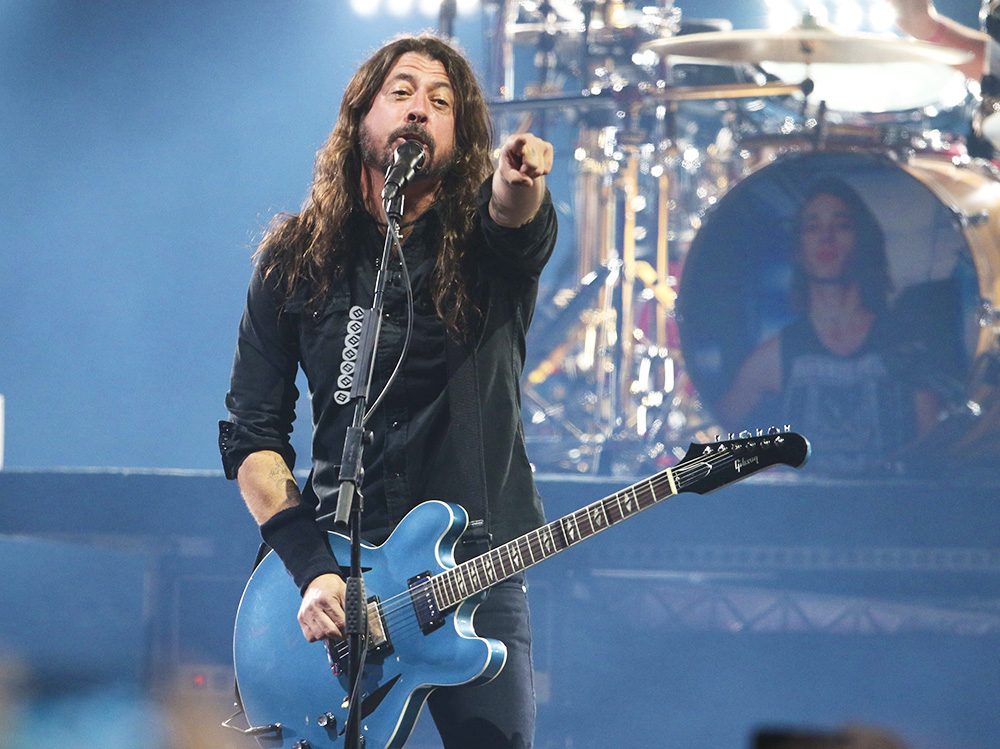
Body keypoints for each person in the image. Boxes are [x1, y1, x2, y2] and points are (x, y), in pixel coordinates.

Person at [219, 34, 556, 748]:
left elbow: (516, 221)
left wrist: (520, 180)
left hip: (475, 573)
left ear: (460, 139)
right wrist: (312, 570)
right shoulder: (296, 260)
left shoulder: (484, 253)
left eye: (441, 102)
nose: (418, 110)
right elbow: (252, 436)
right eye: (401, 92)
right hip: (336, 577)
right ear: (361, 116)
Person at [717, 179, 939, 475]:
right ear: (798, 248)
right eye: (812, 227)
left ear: (862, 241)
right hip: (804, 516)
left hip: (889, 513)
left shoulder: (905, 343)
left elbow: (936, 449)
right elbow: (717, 430)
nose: (826, 237)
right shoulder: (776, 355)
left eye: (842, 225)